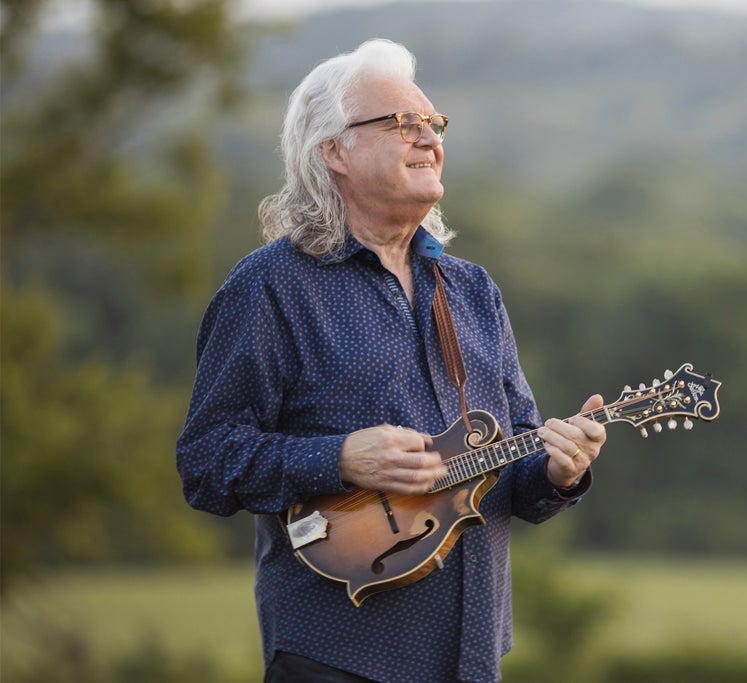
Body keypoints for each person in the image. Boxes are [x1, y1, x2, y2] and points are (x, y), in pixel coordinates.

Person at [176, 38, 606, 683]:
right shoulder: (270, 288)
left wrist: (559, 471)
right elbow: (206, 463)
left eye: (434, 123)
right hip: (336, 654)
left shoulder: (472, 290)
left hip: (472, 653)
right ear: (334, 151)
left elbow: (511, 471)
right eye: (403, 123)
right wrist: (339, 458)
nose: (429, 137)